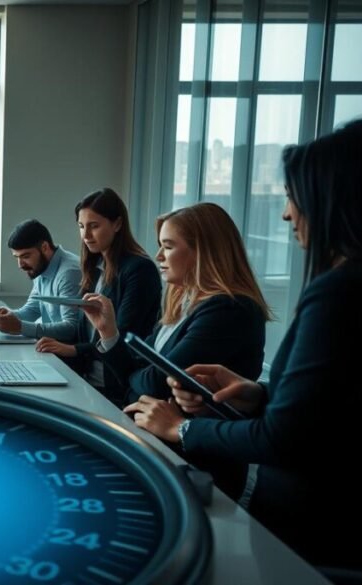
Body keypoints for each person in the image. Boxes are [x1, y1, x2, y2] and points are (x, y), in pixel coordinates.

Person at [127, 119, 362, 571]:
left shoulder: (336, 292)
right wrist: (259, 395)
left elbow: (284, 438)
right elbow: (333, 411)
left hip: (311, 529)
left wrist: (181, 429)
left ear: (332, 198)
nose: (286, 214)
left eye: (294, 197)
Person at [82, 202, 270, 496]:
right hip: (159, 445)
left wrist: (140, 376)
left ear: (203, 252)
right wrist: (108, 332)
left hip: (198, 466)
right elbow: (141, 371)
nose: (158, 255)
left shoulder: (229, 309)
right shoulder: (183, 303)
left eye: (168, 246)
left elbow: (155, 384)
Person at [36, 188, 162, 404]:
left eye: (94, 226)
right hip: (88, 380)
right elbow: (86, 331)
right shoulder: (95, 267)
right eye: (81, 226)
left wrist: (73, 350)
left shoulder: (140, 269)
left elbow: (121, 334)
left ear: (117, 224)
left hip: (118, 386)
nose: (85, 235)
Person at [0, 219, 82, 342]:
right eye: (17, 257)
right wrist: (8, 317)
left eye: (26, 256)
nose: (20, 265)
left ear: (45, 247)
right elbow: (32, 310)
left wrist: (20, 327)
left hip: (69, 351)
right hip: (52, 346)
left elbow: (71, 329)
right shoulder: (41, 267)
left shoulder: (69, 273)